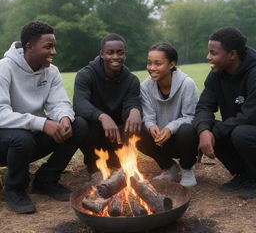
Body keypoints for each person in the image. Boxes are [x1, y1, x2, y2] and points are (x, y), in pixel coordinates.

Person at [0, 20, 87, 214]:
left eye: (54, 46)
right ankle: (15, 189)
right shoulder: (4, 68)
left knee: (78, 125)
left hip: (30, 139)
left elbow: (59, 103)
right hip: (6, 143)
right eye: (48, 46)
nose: (54, 51)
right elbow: (0, 113)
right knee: (21, 138)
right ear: (29, 46)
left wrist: (64, 118)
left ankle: (46, 180)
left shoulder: (51, 71)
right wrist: (42, 123)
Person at [193, 26, 256, 200]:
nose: (208, 57)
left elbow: (250, 116)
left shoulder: (253, 72)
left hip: (250, 129)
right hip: (242, 130)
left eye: (213, 53)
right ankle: (244, 174)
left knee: (241, 133)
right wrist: (204, 130)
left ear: (232, 54)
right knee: (204, 126)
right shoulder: (216, 74)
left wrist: (214, 133)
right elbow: (204, 106)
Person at [73, 33, 142, 174]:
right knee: (81, 122)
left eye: (120, 53)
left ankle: (123, 161)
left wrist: (135, 110)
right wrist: (102, 116)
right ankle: (94, 166)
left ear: (125, 54)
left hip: (117, 136)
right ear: (102, 54)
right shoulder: (85, 75)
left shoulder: (131, 80)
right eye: (110, 53)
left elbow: (132, 101)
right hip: (95, 133)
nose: (115, 57)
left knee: (136, 120)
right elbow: (80, 104)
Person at [136, 42, 199, 187]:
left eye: (158, 63)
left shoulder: (187, 84)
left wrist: (170, 128)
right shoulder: (145, 87)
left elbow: (191, 116)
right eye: (149, 63)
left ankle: (187, 168)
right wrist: (151, 126)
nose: (152, 68)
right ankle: (169, 167)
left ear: (171, 64)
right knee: (136, 130)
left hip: (182, 139)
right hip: (159, 139)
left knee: (187, 130)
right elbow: (148, 114)